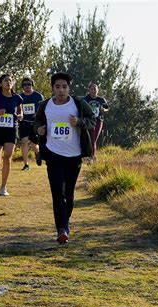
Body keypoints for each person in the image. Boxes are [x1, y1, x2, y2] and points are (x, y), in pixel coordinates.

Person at [34, 72, 96, 244]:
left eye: (64, 87)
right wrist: (38, 129)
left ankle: (65, 223)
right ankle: (61, 229)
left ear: (69, 88)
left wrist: (79, 122)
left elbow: (92, 120)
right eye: (57, 87)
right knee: (57, 193)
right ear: (53, 88)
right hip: (53, 154)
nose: (61, 90)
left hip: (74, 155)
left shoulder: (78, 104)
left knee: (68, 194)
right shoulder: (45, 105)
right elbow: (37, 122)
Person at [0, 74, 23, 196]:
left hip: (11, 130)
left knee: (7, 158)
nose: (8, 82)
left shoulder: (17, 98)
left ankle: (3, 187)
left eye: (10, 80)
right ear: (0, 83)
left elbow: (20, 112)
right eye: (6, 80)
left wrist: (20, 116)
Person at [19, 77, 44, 170]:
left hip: (35, 123)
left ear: (32, 85)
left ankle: (38, 153)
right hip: (24, 123)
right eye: (25, 85)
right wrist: (20, 114)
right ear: (22, 86)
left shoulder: (38, 96)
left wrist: (37, 114)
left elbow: (43, 109)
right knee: (24, 141)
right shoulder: (20, 97)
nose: (27, 86)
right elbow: (17, 109)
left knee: (34, 144)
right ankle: (26, 164)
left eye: (29, 84)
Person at [83, 83, 109, 162]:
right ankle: (91, 157)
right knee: (91, 138)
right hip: (89, 120)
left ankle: (92, 157)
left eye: (95, 89)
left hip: (99, 120)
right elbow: (82, 108)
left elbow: (107, 108)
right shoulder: (86, 99)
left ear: (98, 90)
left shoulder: (101, 100)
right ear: (89, 90)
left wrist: (103, 110)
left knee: (94, 139)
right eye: (92, 89)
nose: (93, 91)